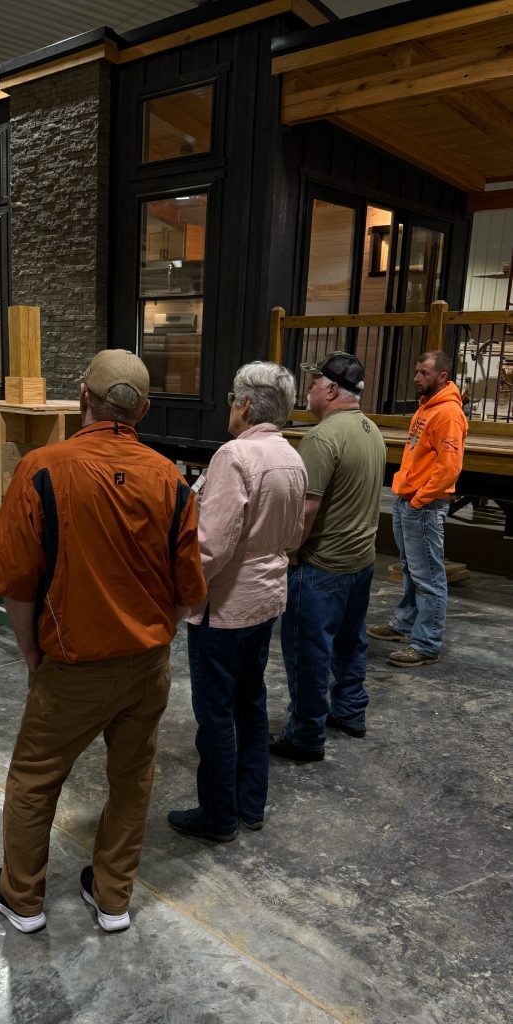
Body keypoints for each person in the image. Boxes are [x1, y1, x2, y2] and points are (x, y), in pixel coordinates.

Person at [0, 349, 206, 934]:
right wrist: (158, 637)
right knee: (132, 779)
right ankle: (113, 899)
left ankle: (22, 899)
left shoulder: (43, 469)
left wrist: (31, 652)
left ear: (83, 398)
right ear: (145, 410)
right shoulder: (172, 480)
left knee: (35, 776)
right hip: (147, 664)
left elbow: (18, 584)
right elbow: (188, 591)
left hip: (73, 663)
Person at [167, 362, 306, 841]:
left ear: (245, 405)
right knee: (251, 704)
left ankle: (218, 816)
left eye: (231, 398)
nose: (230, 406)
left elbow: (210, 547)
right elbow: (293, 534)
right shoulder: (290, 454)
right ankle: (251, 804)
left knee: (216, 714)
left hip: (224, 608)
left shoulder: (236, 455)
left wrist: (176, 596)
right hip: (266, 599)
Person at [270, 351, 386, 763]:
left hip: (323, 567)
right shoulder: (371, 430)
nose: (311, 389)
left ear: (333, 389)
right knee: (351, 643)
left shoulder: (322, 437)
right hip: (360, 561)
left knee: (309, 652)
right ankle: (351, 712)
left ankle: (305, 735)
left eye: (316, 383)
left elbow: (307, 508)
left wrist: (291, 552)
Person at [367, 350, 467, 667]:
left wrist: (420, 499)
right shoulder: (426, 408)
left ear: (442, 376)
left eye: (423, 373)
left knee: (429, 577)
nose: (416, 378)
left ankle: (426, 644)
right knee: (411, 569)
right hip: (408, 501)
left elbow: (449, 469)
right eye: (416, 371)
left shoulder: (447, 413)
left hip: (422, 505)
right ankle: (405, 625)